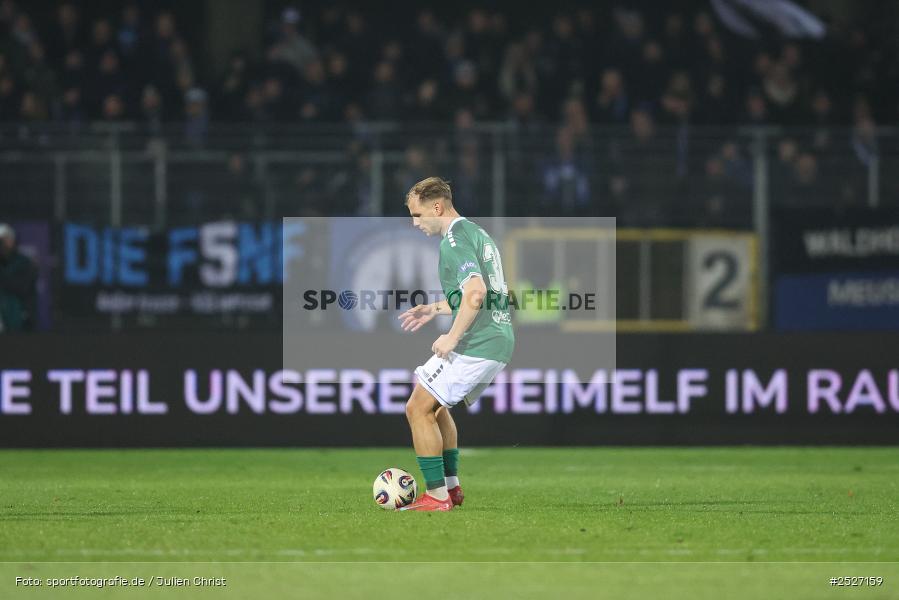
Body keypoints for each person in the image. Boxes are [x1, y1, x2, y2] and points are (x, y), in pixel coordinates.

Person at [397, 178, 514, 511]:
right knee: (435, 406)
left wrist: (452, 336)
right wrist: (433, 309)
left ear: (437, 207)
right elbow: (475, 294)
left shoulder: (454, 239)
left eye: (418, 215)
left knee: (417, 408)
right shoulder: (476, 233)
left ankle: (436, 496)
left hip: (480, 340)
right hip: (497, 337)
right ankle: (451, 489)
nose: (415, 223)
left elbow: (475, 294)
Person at [0, 224, 38, 332]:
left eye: (4, 240)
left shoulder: (24, 262)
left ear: (12, 240)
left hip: (19, 317)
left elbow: (23, 288)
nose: (2, 245)